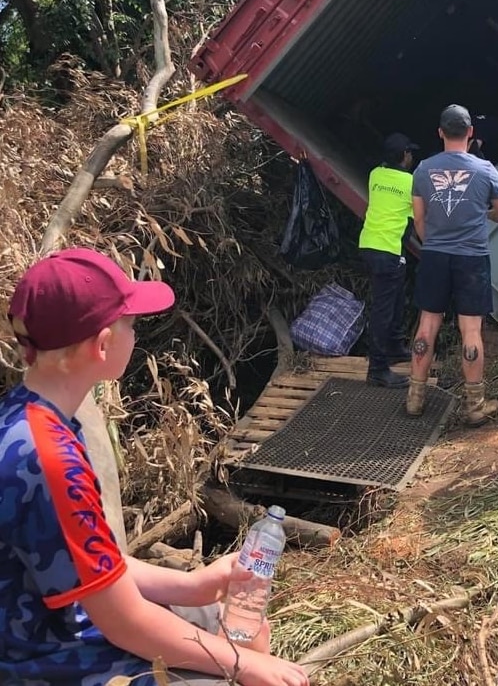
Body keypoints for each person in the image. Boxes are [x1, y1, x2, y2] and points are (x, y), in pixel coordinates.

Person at [0, 247, 309, 686]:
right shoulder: (49, 458)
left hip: (65, 622)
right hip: (42, 655)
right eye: (130, 323)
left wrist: (193, 585)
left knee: (250, 629)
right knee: (239, 665)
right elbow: (123, 622)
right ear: (103, 345)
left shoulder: (31, 415)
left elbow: (100, 565)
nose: (135, 333)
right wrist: (246, 667)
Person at [407, 105, 498, 424]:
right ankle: (474, 406)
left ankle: (414, 398)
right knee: (471, 330)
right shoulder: (486, 170)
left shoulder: (423, 170)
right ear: (470, 133)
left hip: (436, 255)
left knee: (427, 324)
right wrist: (484, 214)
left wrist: (433, 244)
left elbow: (419, 220)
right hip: (472, 257)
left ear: (440, 133)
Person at [358, 132, 419, 388]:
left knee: (394, 300)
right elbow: (420, 216)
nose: (412, 157)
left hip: (370, 244)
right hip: (388, 250)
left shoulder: (375, 175)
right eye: (410, 153)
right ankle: (378, 369)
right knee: (383, 310)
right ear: (404, 156)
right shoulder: (411, 184)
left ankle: (394, 345)